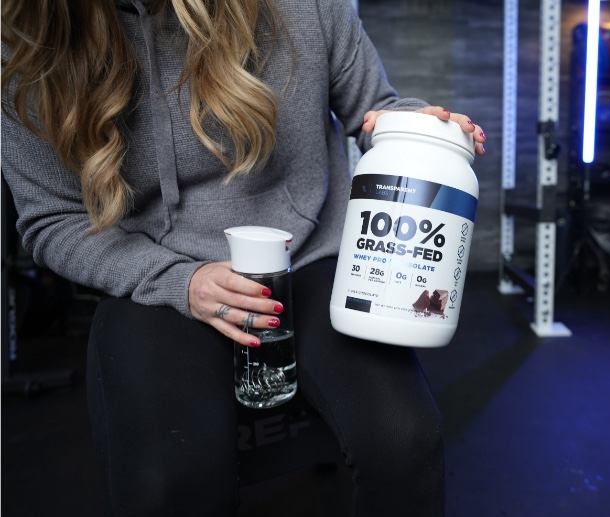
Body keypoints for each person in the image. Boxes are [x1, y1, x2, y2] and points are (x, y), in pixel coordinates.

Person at [1, 0, 486, 515]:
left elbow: (375, 109)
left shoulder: (306, 7)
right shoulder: (27, 38)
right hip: (157, 272)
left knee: (406, 438)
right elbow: (52, 220)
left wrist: (420, 129)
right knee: (171, 479)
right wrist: (182, 282)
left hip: (307, 259)